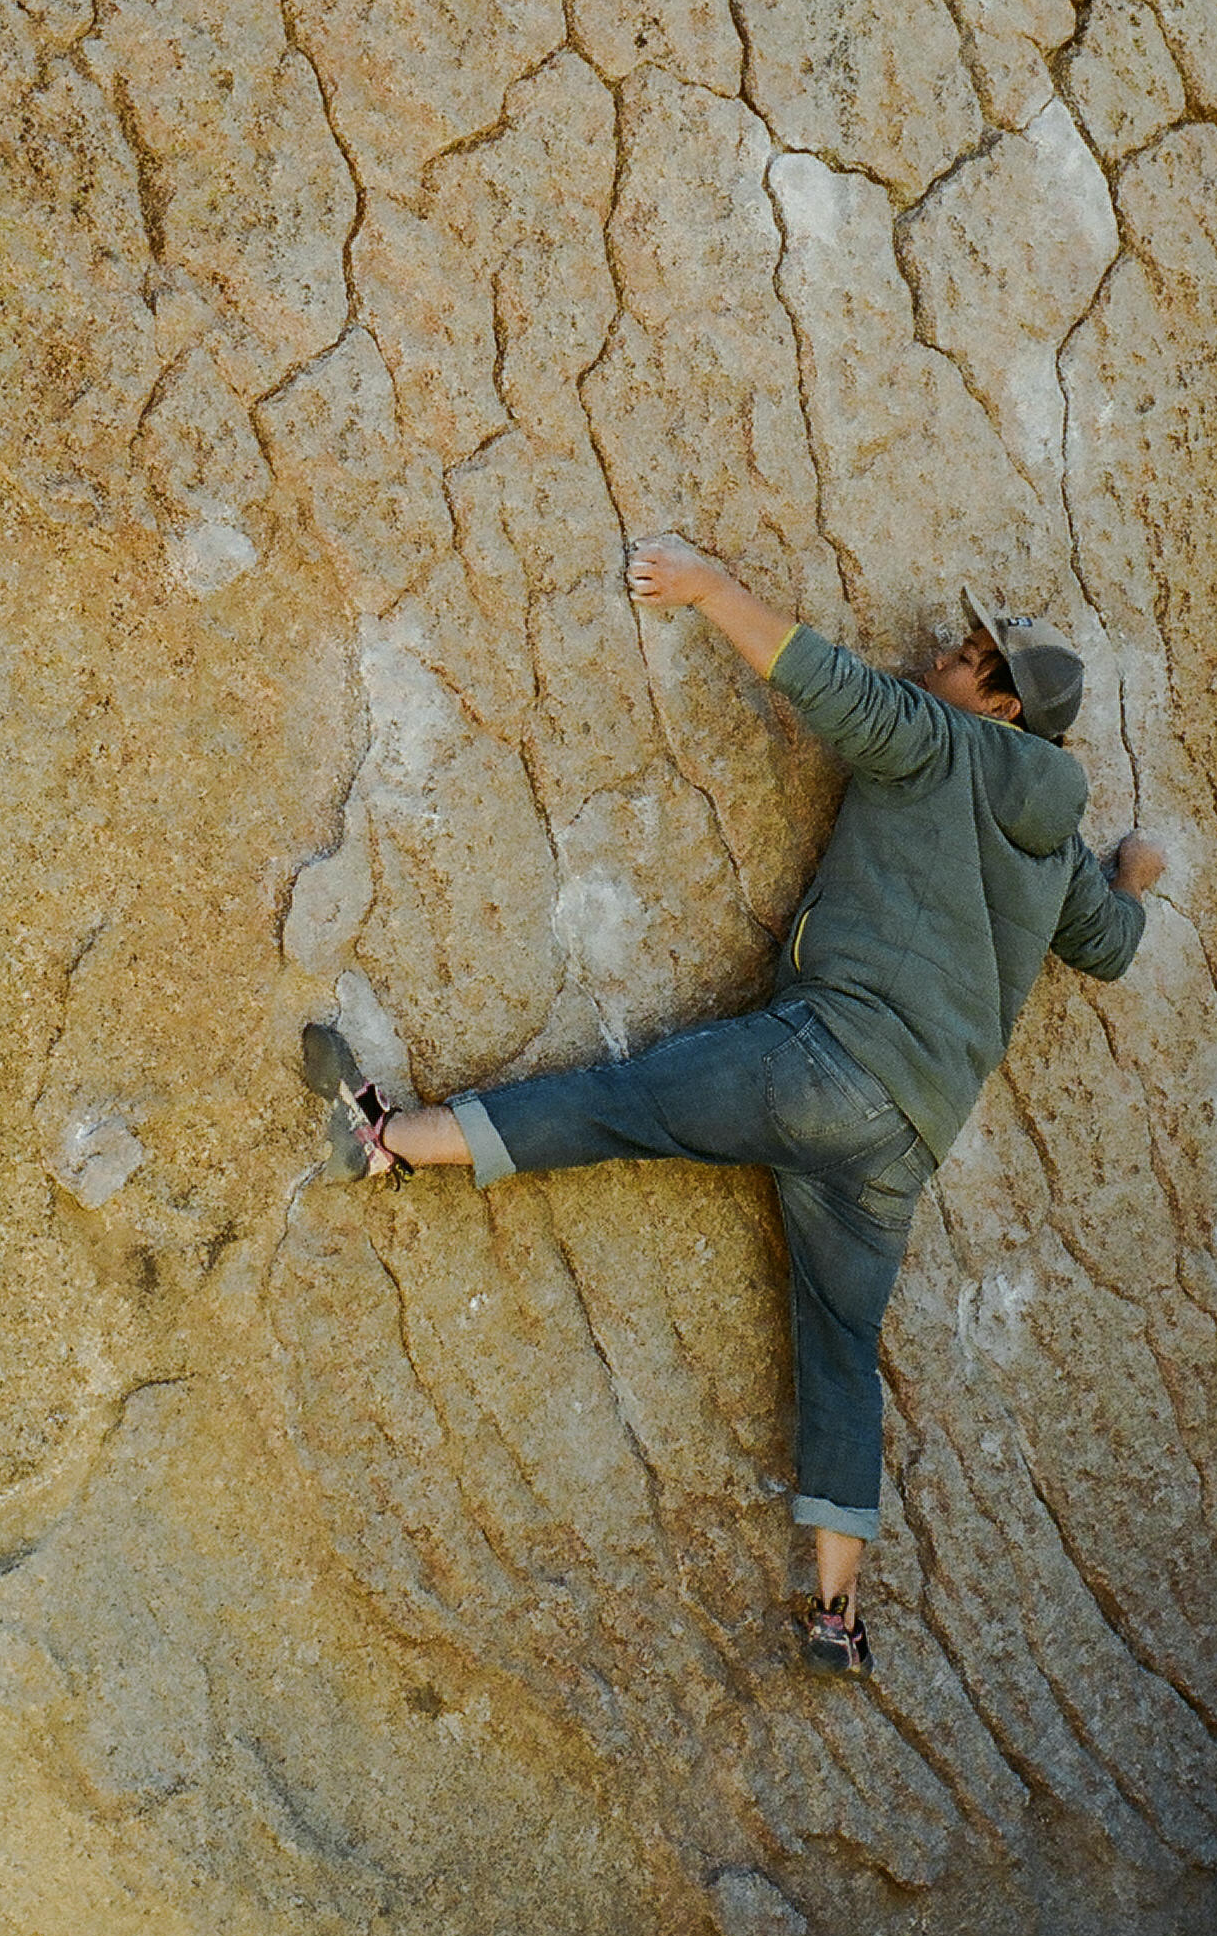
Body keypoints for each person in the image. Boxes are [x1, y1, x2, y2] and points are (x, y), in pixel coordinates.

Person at [300, 535, 1165, 1676]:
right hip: (902, 1145)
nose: (943, 659)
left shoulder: (940, 744)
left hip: (820, 1062)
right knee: (840, 1350)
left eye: (965, 656)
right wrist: (1131, 878)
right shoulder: (1052, 850)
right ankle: (836, 1614)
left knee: (621, 1103)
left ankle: (388, 1143)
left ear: (998, 706)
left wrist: (706, 589)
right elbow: (1104, 946)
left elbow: (823, 679)